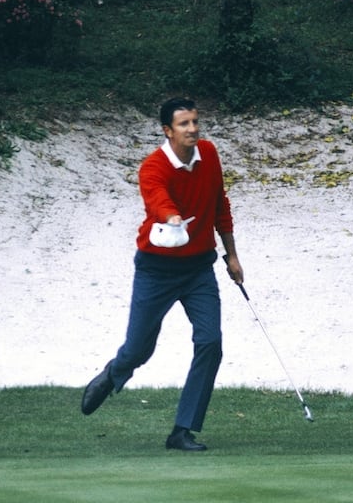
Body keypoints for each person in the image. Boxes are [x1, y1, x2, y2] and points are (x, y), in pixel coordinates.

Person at [80, 97, 244, 452]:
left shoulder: (210, 154)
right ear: (167, 131)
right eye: (184, 124)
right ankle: (114, 373)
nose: (193, 129)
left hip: (199, 267)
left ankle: (183, 430)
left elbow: (220, 205)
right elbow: (157, 198)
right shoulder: (154, 166)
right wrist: (171, 218)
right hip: (157, 269)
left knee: (210, 343)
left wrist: (232, 256)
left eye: (195, 122)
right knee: (140, 349)